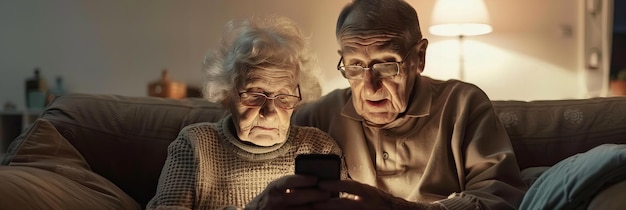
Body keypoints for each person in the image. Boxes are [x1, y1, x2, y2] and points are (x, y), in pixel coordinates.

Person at [289, 0, 527, 209]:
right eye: (355, 65)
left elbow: (499, 199)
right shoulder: (316, 117)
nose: (370, 86)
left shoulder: (464, 105)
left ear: (420, 57)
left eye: (386, 65)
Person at [146, 15, 347, 210]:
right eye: (255, 94)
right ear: (227, 94)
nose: (269, 113)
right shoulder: (196, 144)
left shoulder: (320, 148)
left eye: (284, 97)